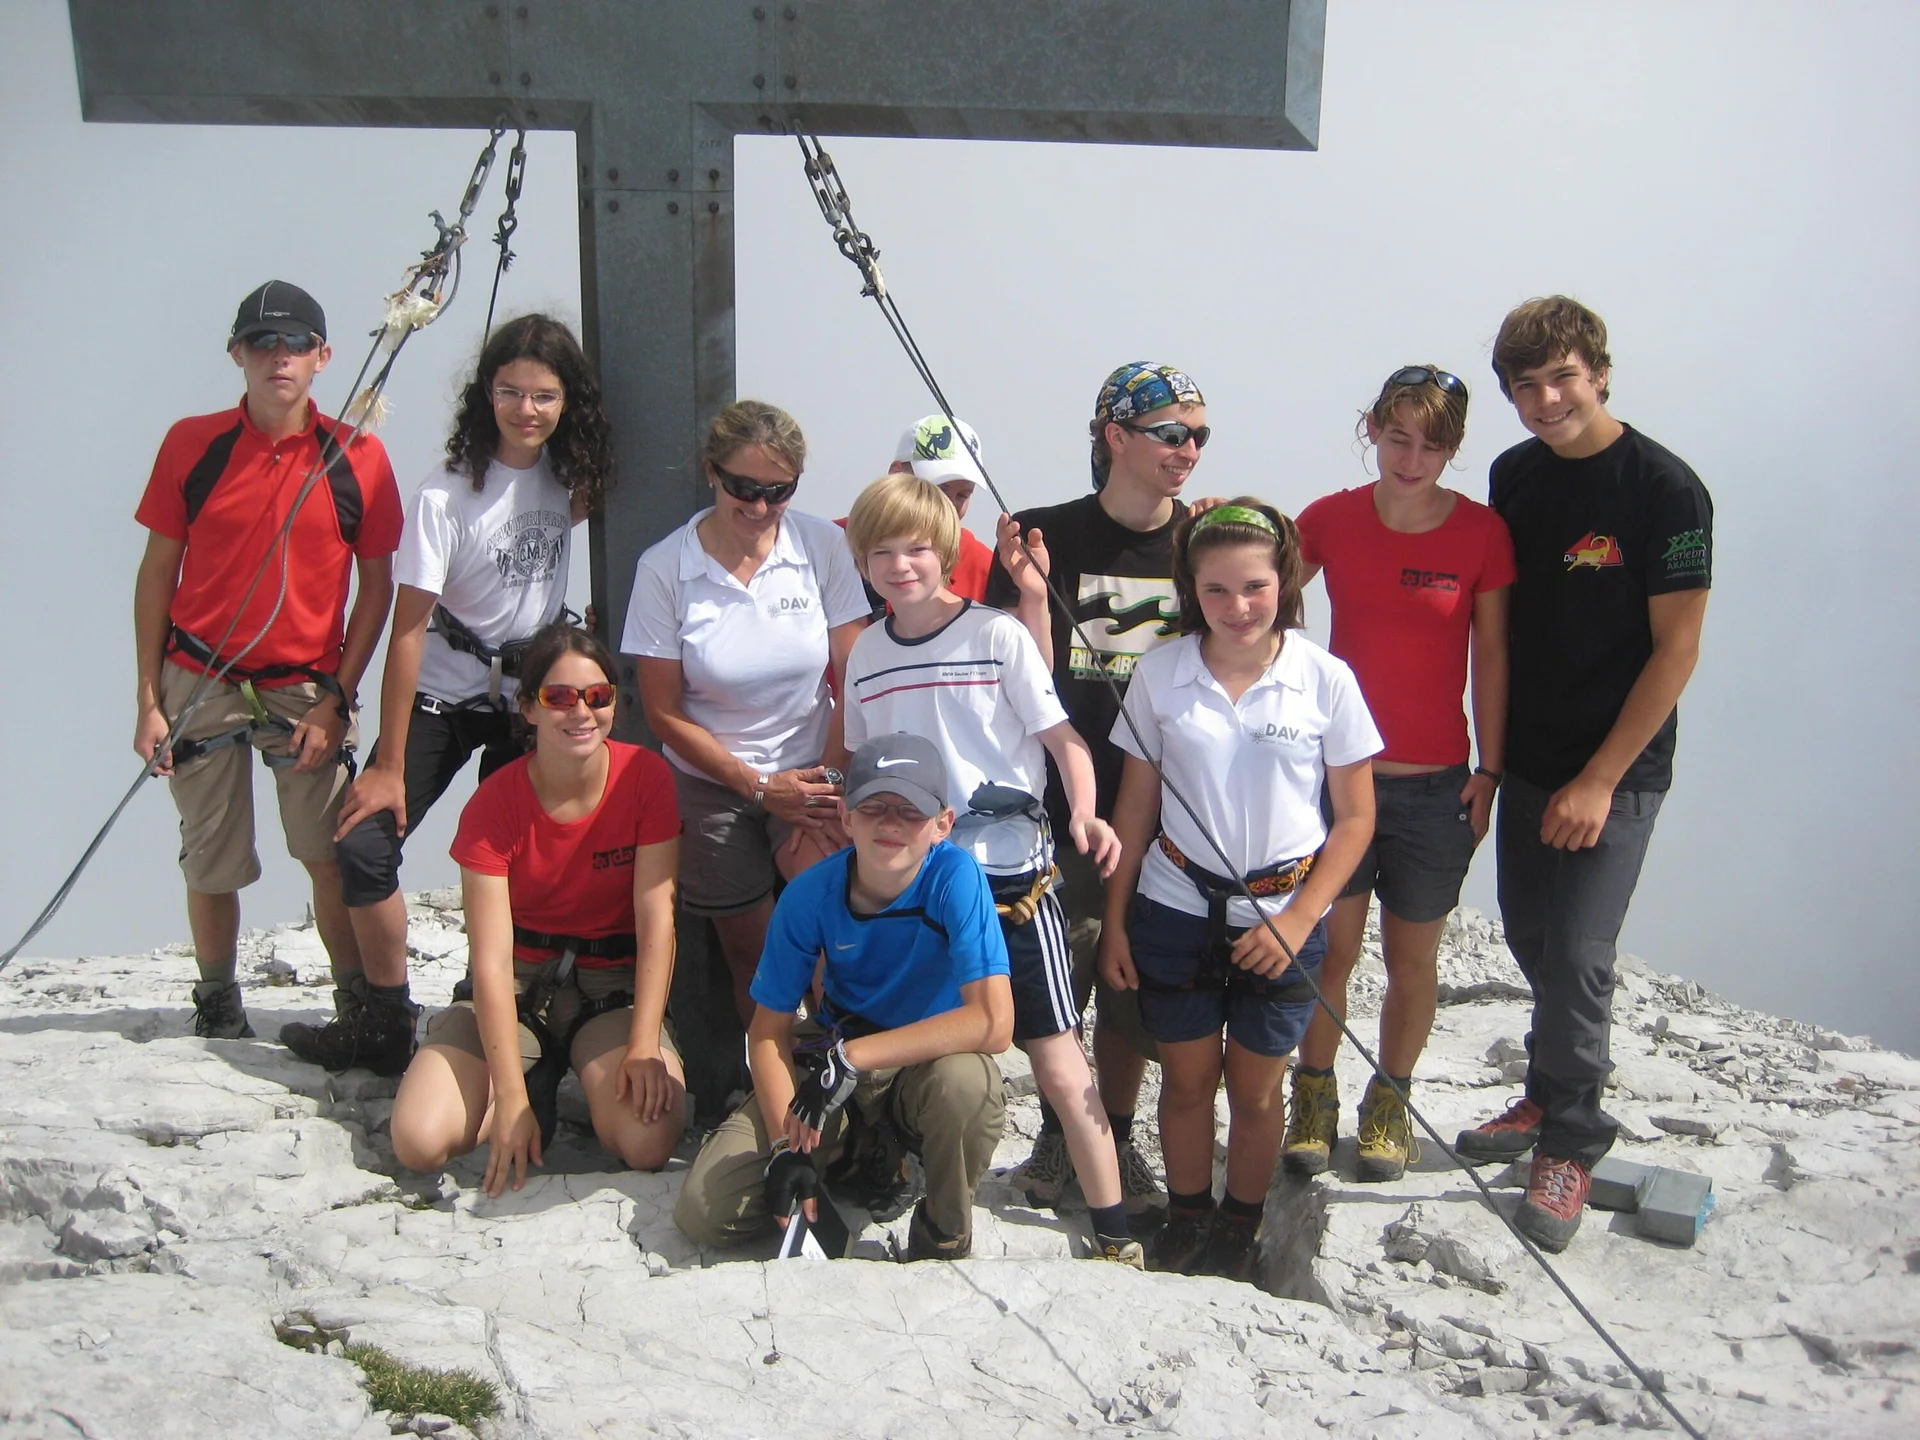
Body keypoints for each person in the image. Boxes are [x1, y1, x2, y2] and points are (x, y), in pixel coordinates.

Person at [280, 314, 614, 1076]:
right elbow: (408, 630)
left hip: (527, 699)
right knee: (363, 845)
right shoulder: (447, 495)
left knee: (528, 852)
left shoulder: (572, 478)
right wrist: (389, 763)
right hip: (442, 691)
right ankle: (384, 1016)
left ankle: (488, 994)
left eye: (544, 395)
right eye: (510, 392)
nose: (526, 410)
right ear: (485, 395)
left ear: (568, 403)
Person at [1453, 297, 1712, 1252]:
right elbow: (1504, 625)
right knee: (1529, 935)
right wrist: (1497, 760)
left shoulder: (1665, 489)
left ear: (1600, 372)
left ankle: (1571, 1139)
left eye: (1561, 377)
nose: (1546, 399)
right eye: (1526, 386)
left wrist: (1600, 780)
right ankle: (1548, 1090)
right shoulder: (1514, 475)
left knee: (1577, 951)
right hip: (1530, 759)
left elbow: (1676, 651)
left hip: (1620, 767)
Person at [841, 472, 1140, 1265]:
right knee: (911, 1046)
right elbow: (862, 767)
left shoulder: (997, 634)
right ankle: (912, 1186)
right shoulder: (865, 653)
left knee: (1057, 1057)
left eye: (917, 549)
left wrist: (1083, 812)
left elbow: (1065, 742)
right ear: (861, 561)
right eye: (882, 552)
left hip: (1013, 884)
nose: (902, 566)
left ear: (946, 552)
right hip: (917, 890)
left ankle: (1114, 1229)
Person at [1101, 501, 1380, 1279]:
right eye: (1216, 590)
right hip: (1176, 904)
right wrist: (1117, 923)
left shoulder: (1324, 679)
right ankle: (1189, 1215)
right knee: (1187, 1081)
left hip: (1282, 910)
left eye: (1254, 587)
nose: (1238, 607)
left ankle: (1241, 1225)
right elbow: (1135, 805)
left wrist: (1298, 920)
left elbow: (1356, 819)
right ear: (1192, 589)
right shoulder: (1161, 673)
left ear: (1284, 582)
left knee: (1256, 1090)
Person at [133, 280, 402, 1041]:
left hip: (305, 687)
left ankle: (356, 1001)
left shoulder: (358, 458)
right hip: (201, 677)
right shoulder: (194, 444)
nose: (277, 358)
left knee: (327, 852)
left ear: (324, 357)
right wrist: (148, 699)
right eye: (261, 344)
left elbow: (376, 588)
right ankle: (217, 1001)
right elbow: (158, 573)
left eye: (293, 344)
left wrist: (338, 698)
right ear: (237, 356)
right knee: (210, 858)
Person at [985, 361, 1210, 1226]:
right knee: (1064, 975)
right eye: (1170, 434)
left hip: (1168, 809)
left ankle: (1112, 1135)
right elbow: (1018, 677)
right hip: (1062, 803)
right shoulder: (1042, 535)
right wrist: (1034, 593)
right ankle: (1061, 1134)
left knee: (1137, 988)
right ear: (1115, 437)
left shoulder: (1205, 538)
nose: (1187, 451)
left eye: (1197, 436)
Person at [1283, 367, 1515, 1182]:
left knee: (1415, 960)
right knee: (1331, 949)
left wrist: (1491, 769)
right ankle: (1311, 1096)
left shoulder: (1482, 534)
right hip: (1341, 779)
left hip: (1436, 784)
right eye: (1399, 437)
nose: (1413, 459)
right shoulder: (1330, 519)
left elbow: (1489, 656)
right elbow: (1256, 597)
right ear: (1371, 429)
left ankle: (1392, 1101)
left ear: (1453, 449)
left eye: (1434, 444)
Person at [672, 733, 1014, 1260]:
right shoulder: (811, 893)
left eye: (910, 810)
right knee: (706, 1210)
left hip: (920, 1063)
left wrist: (854, 1057)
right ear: (845, 817)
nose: (891, 823)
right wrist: (785, 1148)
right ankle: (856, 1153)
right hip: (834, 1050)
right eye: (873, 806)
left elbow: (994, 1023)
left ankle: (943, 1231)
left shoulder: (956, 877)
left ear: (943, 824)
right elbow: (767, 1031)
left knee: (966, 1085)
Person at [388, 624, 683, 1193]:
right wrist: (514, 1100)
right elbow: (492, 963)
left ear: (614, 705)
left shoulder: (645, 779)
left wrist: (645, 1044)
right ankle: (529, 1081)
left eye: (597, 697)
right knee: (421, 1141)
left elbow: (657, 922)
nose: (581, 712)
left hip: (610, 987)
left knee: (647, 1143)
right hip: (520, 985)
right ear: (527, 707)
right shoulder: (494, 804)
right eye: (559, 697)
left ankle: (559, 1076)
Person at [622, 400, 869, 1028]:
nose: (758, 507)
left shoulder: (824, 546)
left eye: (777, 491)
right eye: (743, 488)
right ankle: (770, 1087)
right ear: (711, 473)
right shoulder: (664, 568)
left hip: (816, 769)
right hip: (712, 781)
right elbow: (662, 710)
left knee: (835, 939)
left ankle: (850, 1079)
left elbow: (857, 674)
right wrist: (757, 785)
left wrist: (827, 784)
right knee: (754, 956)